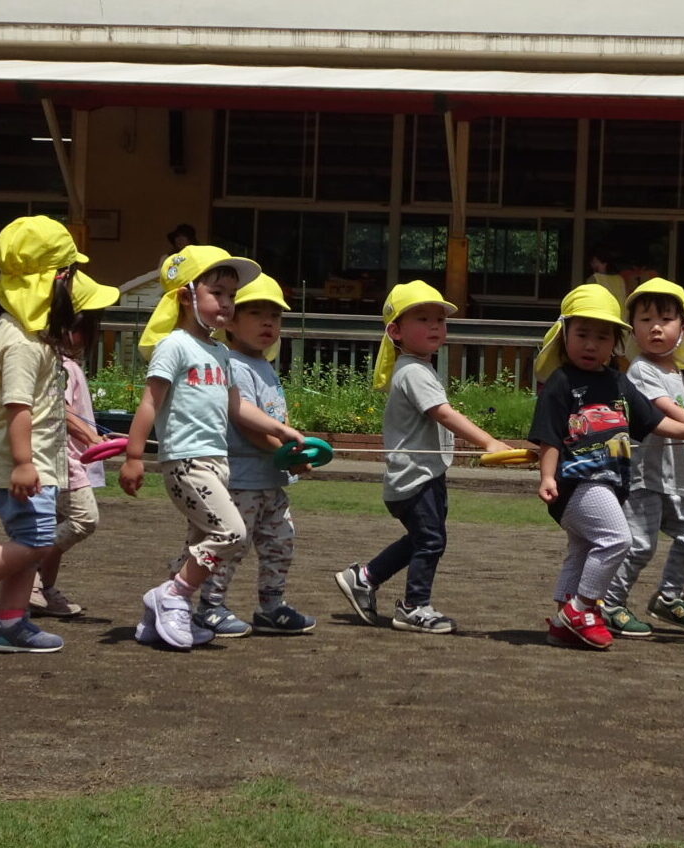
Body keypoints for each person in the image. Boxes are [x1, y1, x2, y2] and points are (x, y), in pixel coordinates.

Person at [119, 245, 305, 651]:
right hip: (185, 462)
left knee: (201, 542)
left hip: (216, 463)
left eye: (231, 296)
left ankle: (166, 607)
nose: (226, 303)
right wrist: (134, 457)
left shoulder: (220, 352)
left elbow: (236, 406)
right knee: (231, 533)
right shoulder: (175, 346)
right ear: (186, 296)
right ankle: (173, 595)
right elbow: (150, 401)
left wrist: (282, 430)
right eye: (217, 293)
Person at [528, 283, 684, 651]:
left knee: (583, 548)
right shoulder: (561, 382)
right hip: (578, 481)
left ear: (616, 342)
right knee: (618, 539)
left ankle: (562, 620)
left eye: (602, 337)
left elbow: (654, 422)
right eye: (582, 334)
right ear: (564, 334)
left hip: (609, 482)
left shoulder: (619, 382)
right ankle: (585, 607)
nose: (590, 345)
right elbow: (549, 435)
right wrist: (547, 475)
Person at [0, 216, 115, 652]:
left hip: (35, 466)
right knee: (32, 542)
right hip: (16, 466)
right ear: (55, 281)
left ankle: (11, 623)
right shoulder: (20, 342)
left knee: (29, 543)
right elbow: (19, 407)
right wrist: (24, 462)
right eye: (71, 278)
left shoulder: (36, 337)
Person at [333, 280, 511, 634]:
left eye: (439, 320)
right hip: (415, 477)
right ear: (395, 331)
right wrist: (489, 442)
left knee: (421, 538)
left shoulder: (418, 368)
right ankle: (414, 607)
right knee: (431, 540)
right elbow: (443, 413)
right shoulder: (413, 370)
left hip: (420, 475)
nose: (434, 326)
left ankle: (364, 577)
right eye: (422, 318)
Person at [189, 274, 317, 637]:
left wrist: (296, 450)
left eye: (275, 316)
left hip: (271, 481)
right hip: (241, 480)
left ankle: (271, 606)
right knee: (232, 545)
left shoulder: (265, 366)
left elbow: (279, 417)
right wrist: (288, 454)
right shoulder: (233, 365)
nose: (267, 323)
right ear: (229, 320)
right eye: (256, 313)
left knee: (281, 543)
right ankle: (209, 606)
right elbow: (250, 426)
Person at [600, 278, 684, 637]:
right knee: (640, 545)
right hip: (644, 475)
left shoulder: (674, 370)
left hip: (676, 474)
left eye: (665, 319)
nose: (656, 328)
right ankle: (610, 604)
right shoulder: (640, 370)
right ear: (633, 327)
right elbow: (662, 409)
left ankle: (669, 596)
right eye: (646, 319)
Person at [28, 278, 121, 617]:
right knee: (83, 519)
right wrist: (90, 438)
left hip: (64, 457)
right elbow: (61, 412)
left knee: (57, 522)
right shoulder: (58, 365)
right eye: (85, 328)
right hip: (60, 458)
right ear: (67, 328)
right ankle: (28, 577)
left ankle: (43, 587)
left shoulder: (64, 364)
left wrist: (94, 437)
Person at [585, 244, 628, 312]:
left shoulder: (594, 278)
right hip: (622, 318)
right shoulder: (620, 279)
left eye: (594, 262)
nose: (592, 265)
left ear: (604, 263)